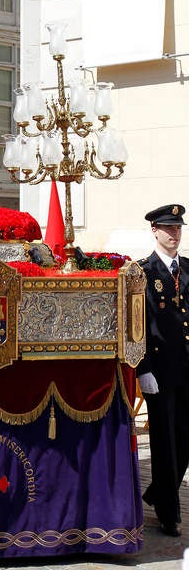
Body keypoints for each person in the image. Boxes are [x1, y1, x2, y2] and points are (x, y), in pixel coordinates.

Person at [137, 203, 189, 537]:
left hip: (187, 367)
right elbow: (137, 326)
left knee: (184, 440)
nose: (175, 233)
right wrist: (143, 369)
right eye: (169, 228)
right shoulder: (143, 272)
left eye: (178, 228)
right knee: (165, 442)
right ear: (155, 231)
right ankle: (169, 513)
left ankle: (157, 491)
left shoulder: (188, 269)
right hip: (161, 372)